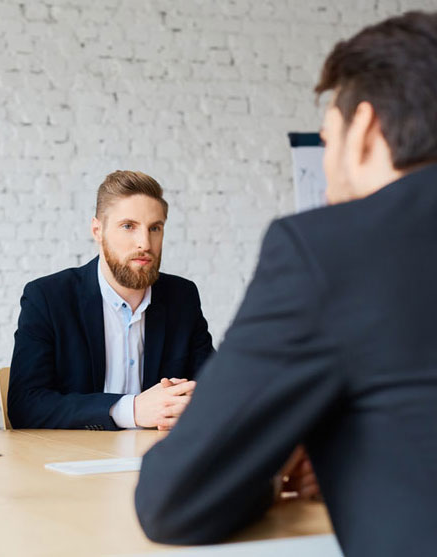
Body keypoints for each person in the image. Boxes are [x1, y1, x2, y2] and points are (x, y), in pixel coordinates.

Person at [135, 11, 437, 556]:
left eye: (327, 141)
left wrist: (267, 454)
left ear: (365, 129)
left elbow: (173, 499)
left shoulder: (332, 248)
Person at [8, 170, 214, 430]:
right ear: (98, 230)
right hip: (75, 461)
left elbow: (215, 392)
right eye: (128, 226)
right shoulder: (48, 298)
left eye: (155, 228)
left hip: (158, 459)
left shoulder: (182, 297)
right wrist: (132, 410)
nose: (145, 243)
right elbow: (25, 406)